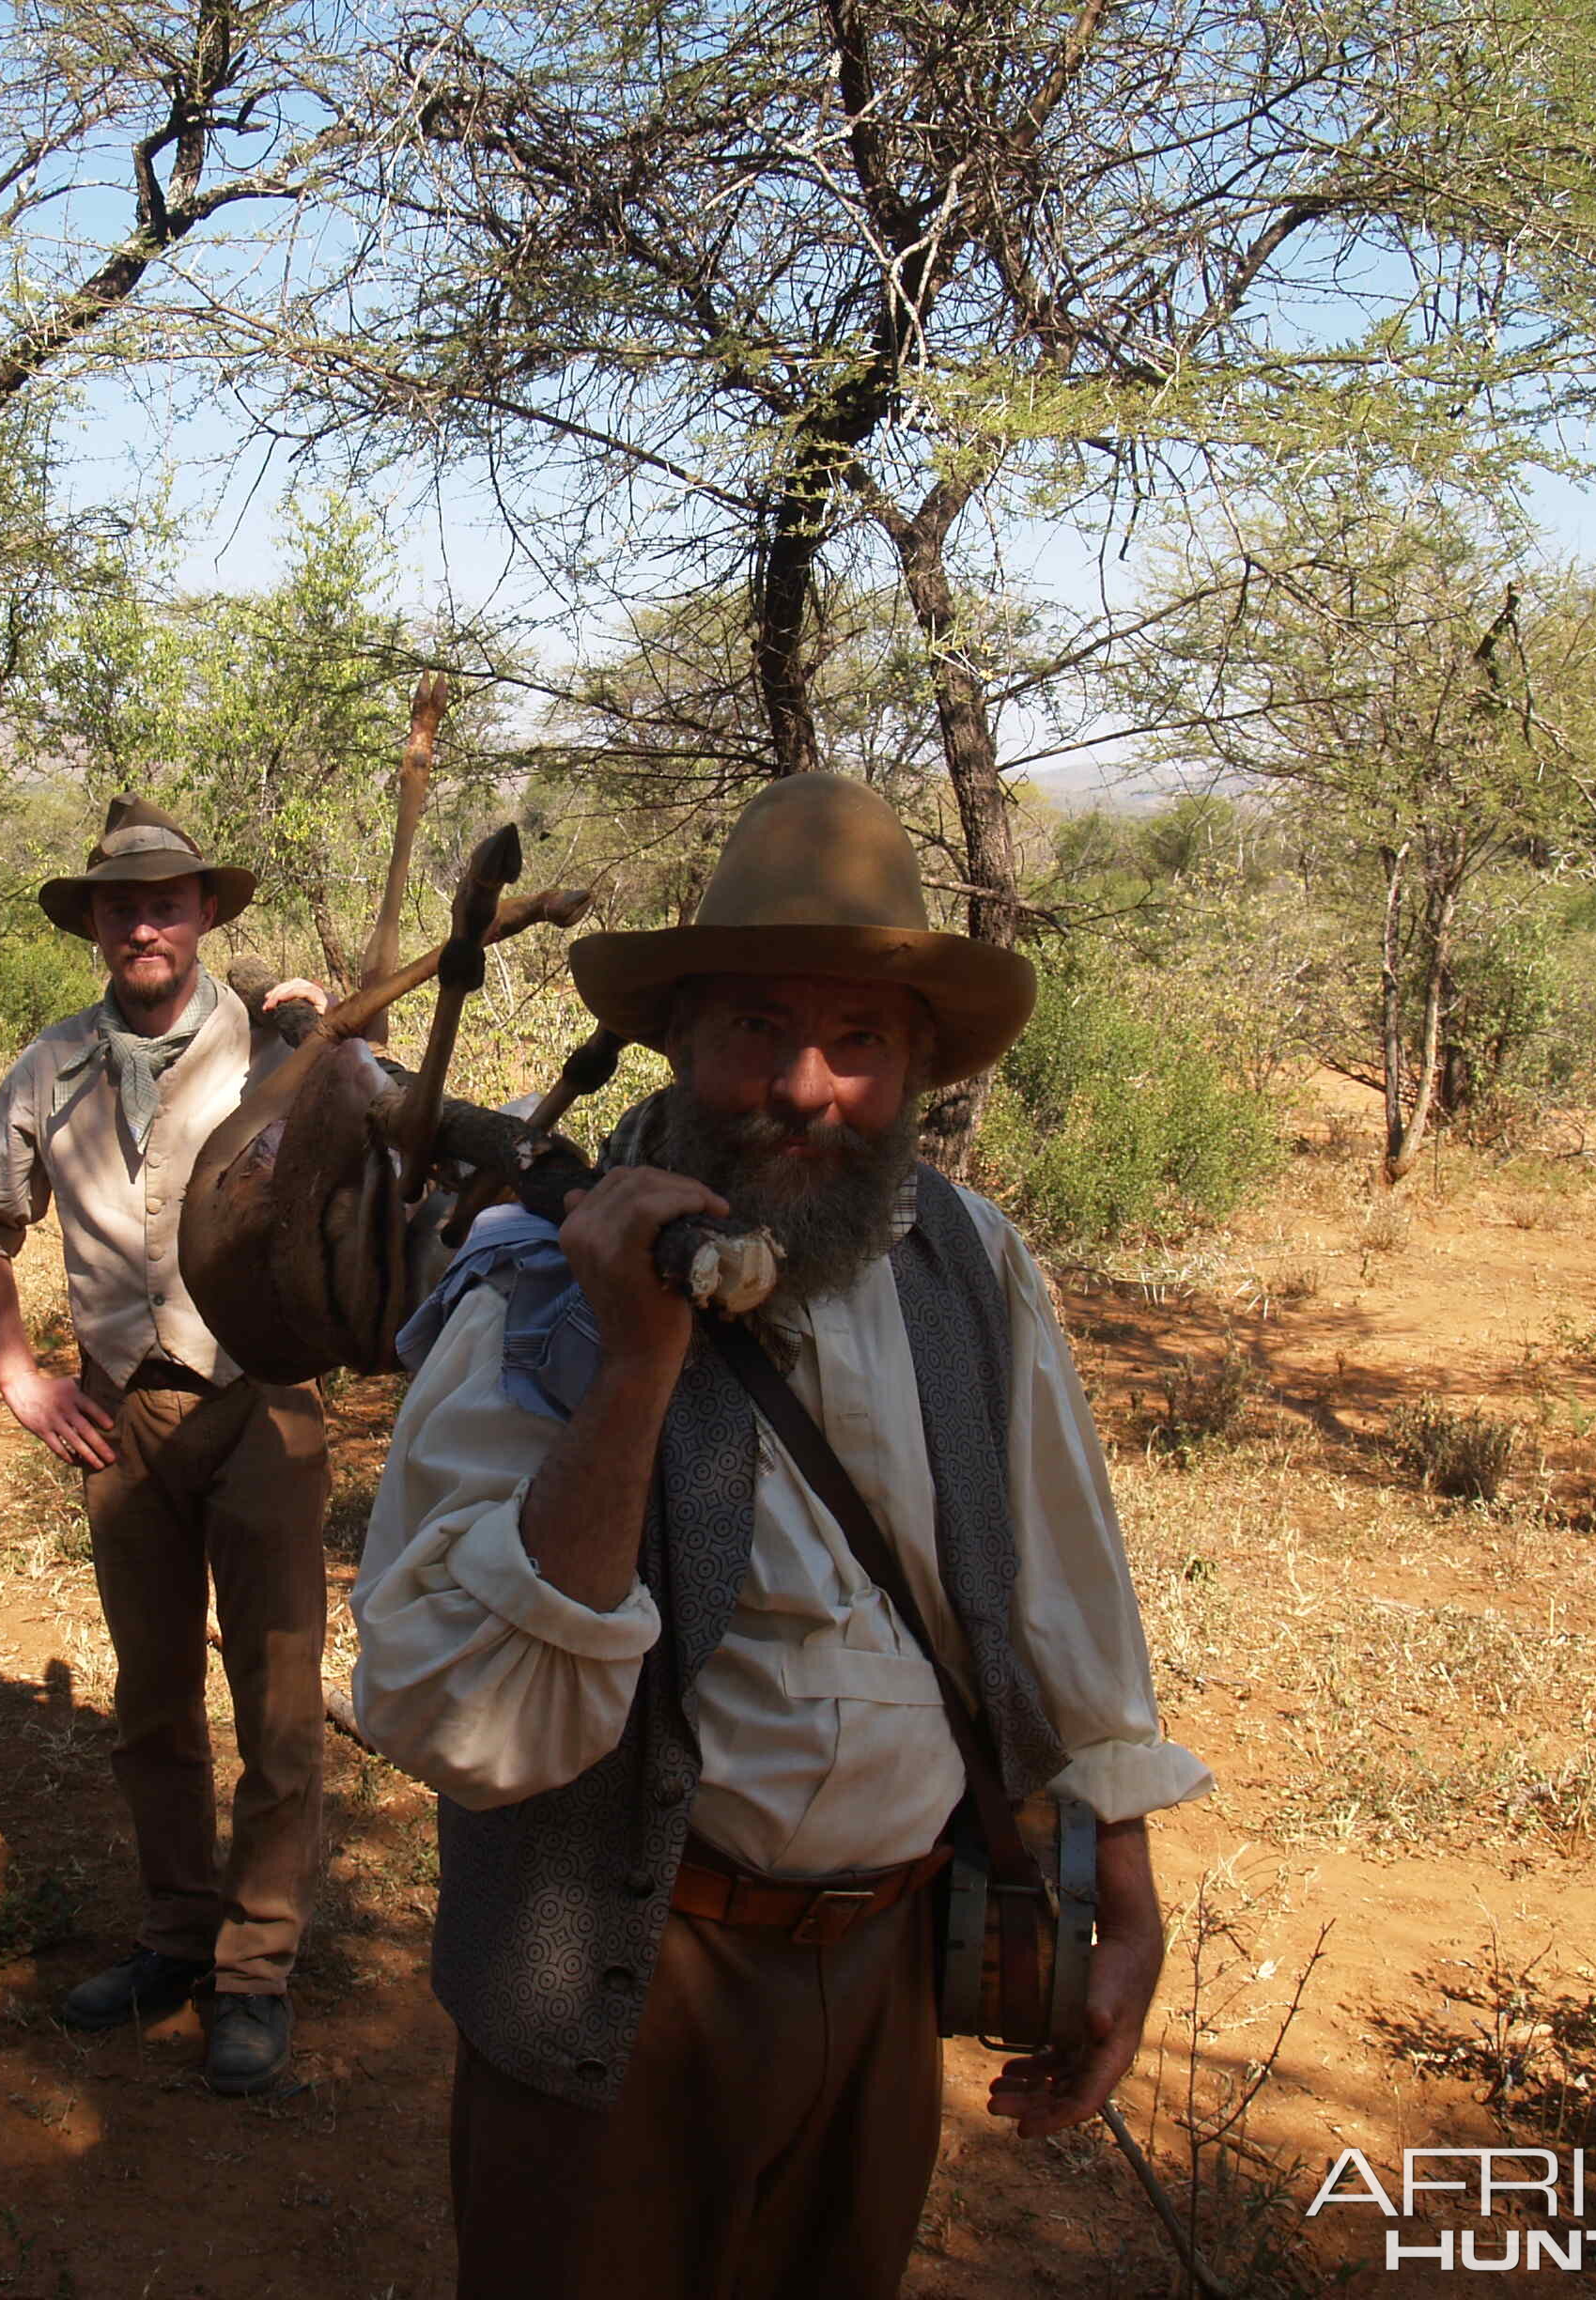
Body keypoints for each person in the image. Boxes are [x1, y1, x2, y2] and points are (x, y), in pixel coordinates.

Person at [352, 774, 1213, 2298]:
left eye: (858, 1039)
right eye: (757, 1027)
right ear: (679, 1042)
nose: (804, 1085)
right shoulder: (536, 1288)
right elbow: (462, 1717)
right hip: (622, 1988)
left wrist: (1116, 1888)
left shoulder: (966, 1259)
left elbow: (1060, 1583)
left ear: (917, 1064)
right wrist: (632, 1368)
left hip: (885, 1974)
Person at [0, 798, 332, 2098]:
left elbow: (372, 1142)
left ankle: (256, 1970)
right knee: (152, 1701)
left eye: (168, 900)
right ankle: (174, 1937)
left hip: (262, 1398)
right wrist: (20, 1374)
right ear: (95, 926)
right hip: (122, 1417)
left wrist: (331, 1030)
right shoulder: (49, 1067)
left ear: (208, 912)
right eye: (121, 905)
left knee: (277, 1706)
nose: (145, 922)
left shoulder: (279, 1042)